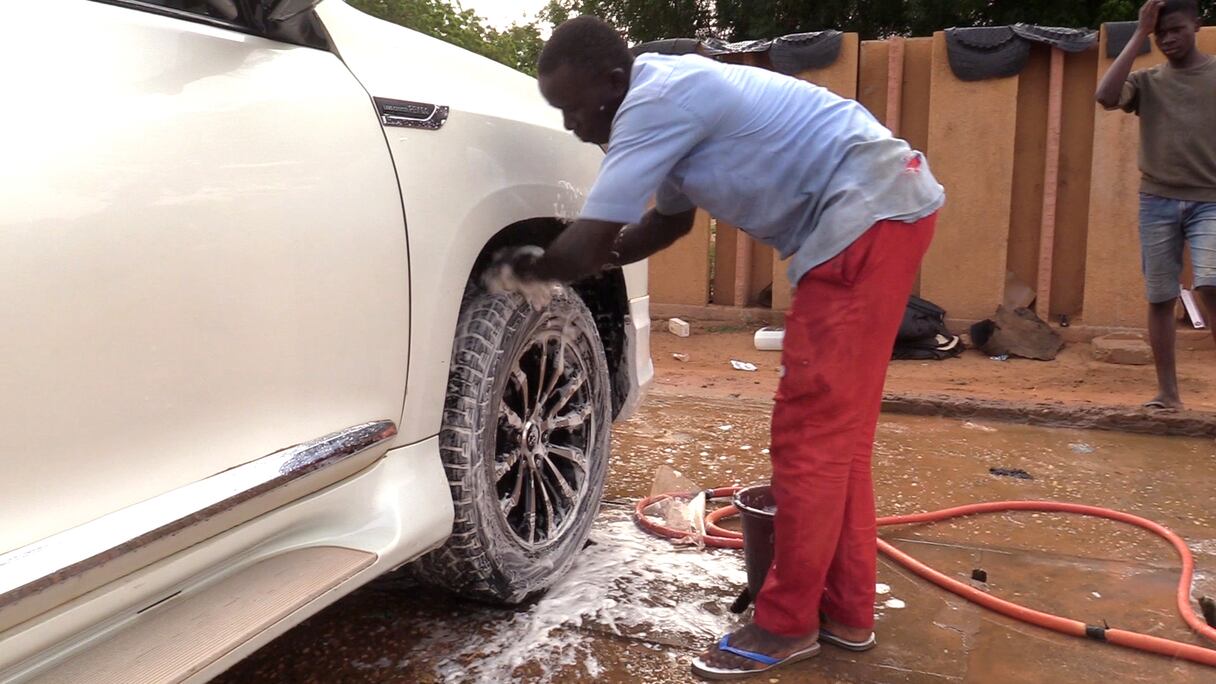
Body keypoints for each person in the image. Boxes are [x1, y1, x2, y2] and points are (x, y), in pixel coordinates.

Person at [515, 16, 945, 680]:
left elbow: (591, 237)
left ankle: (785, 625)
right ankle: (845, 612)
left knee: (810, 435)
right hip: (884, 206)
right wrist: (602, 257)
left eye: (576, 108)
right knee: (838, 439)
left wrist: (522, 271)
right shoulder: (664, 96)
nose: (572, 126)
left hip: (866, 215)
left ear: (613, 81)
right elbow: (670, 222)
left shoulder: (653, 103)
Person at [1096, 0, 1216, 411]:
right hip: (1157, 201)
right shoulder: (1148, 81)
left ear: (1197, 25)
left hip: (1211, 200)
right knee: (1161, 297)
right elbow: (1105, 96)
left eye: (1176, 29)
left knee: (1210, 285)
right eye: (1160, 33)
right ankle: (1168, 394)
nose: (1168, 39)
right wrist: (1138, 34)